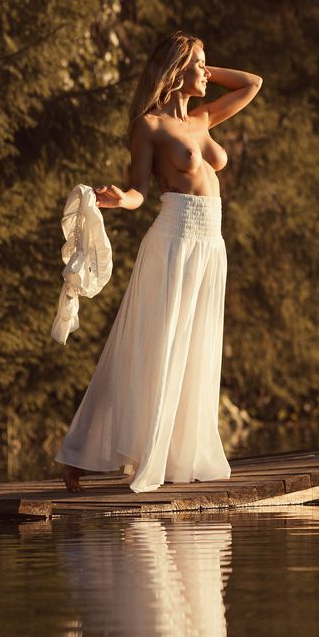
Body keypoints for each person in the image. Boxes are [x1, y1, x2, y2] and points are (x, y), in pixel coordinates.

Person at [55, 30, 262, 494]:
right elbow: (139, 192)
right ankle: (79, 456)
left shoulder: (203, 119)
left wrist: (203, 66)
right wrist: (118, 199)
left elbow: (253, 83)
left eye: (206, 65)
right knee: (152, 348)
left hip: (211, 244)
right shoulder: (148, 126)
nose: (206, 73)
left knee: (195, 351)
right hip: (174, 241)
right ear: (175, 69)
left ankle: (174, 454)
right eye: (198, 65)